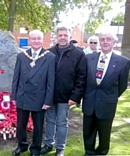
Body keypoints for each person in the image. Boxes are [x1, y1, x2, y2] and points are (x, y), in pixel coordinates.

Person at [40, 26, 87, 156]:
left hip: (66, 96)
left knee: (62, 122)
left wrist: (75, 97)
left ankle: (60, 147)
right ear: (56, 36)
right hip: (50, 95)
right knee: (49, 120)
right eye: (60, 35)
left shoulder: (78, 54)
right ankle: (49, 144)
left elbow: (81, 77)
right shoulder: (48, 52)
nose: (62, 37)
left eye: (65, 35)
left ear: (70, 37)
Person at [82, 30, 130, 155]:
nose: (105, 42)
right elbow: (83, 79)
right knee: (88, 131)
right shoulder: (88, 58)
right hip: (89, 102)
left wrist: (109, 96)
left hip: (107, 104)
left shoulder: (123, 62)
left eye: (108, 39)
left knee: (104, 132)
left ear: (114, 42)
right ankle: (89, 152)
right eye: (102, 39)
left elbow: (123, 85)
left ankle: (102, 152)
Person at [11, 30, 55, 156]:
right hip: (23, 96)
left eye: (38, 38)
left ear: (42, 40)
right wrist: (14, 96)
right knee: (20, 125)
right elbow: (16, 78)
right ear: (29, 40)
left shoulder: (50, 57)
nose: (36, 41)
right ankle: (22, 145)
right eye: (33, 39)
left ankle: (35, 149)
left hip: (39, 97)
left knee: (38, 126)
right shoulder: (21, 56)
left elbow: (51, 81)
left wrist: (48, 100)